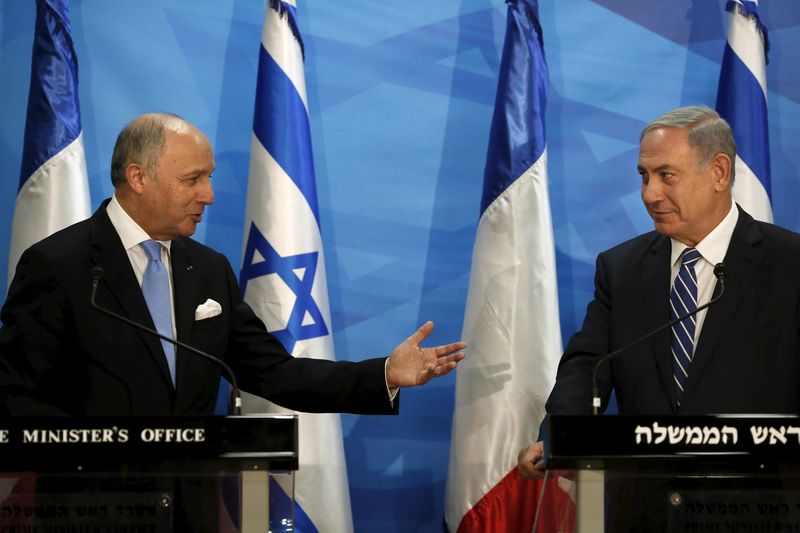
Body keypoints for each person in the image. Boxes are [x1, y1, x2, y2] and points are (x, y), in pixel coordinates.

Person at [0, 112, 466, 416]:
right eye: (193, 180)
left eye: (209, 178)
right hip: (94, 510)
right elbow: (17, 394)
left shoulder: (207, 270)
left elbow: (277, 374)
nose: (209, 195)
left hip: (194, 504)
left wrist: (383, 373)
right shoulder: (59, 265)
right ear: (138, 178)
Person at [517, 105, 800, 497]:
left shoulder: (789, 265)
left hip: (761, 504)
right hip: (645, 503)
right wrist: (561, 437)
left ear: (719, 172)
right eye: (644, 177)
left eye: (666, 176)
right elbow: (586, 368)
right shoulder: (621, 269)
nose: (650, 194)